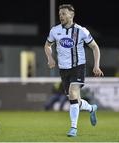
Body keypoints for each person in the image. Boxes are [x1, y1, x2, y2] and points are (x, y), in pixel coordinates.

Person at [44, 4, 104, 137]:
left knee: (72, 93)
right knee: (74, 99)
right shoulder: (55, 31)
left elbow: (95, 47)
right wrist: (50, 57)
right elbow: (47, 45)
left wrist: (96, 65)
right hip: (63, 70)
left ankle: (73, 128)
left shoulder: (81, 31)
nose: (61, 16)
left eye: (64, 13)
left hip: (78, 67)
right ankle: (91, 108)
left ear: (72, 15)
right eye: (60, 14)